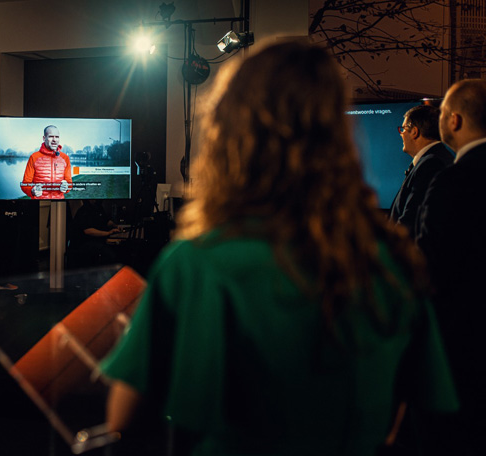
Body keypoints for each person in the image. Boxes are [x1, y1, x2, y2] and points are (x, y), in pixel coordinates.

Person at [100, 41, 458, 456]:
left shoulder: (196, 263)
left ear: (229, 133)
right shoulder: (392, 261)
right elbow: (415, 408)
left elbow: (122, 421)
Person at [417, 78, 486, 454]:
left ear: (455, 121)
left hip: (460, 348)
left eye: (441, 111)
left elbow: (431, 265)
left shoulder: (453, 182)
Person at [389, 105, 453, 237]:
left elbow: (410, 220)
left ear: (414, 131)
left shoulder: (431, 163)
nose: (401, 134)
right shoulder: (436, 157)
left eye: (403, 129)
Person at [20, 125, 73, 199]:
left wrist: (67, 187)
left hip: (59, 204)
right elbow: (25, 184)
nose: (54, 140)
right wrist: (32, 190)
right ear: (44, 138)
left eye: (57, 137)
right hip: (38, 204)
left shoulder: (65, 158)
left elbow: (69, 183)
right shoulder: (34, 157)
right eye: (51, 136)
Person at [69, 200, 122, 267]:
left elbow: (106, 221)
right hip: (84, 244)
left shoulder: (98, 207)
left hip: (96, 242)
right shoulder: (84, 210)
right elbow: (88, 231)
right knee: (110, 255)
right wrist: (108, 233)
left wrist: (116, 226)